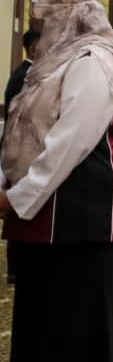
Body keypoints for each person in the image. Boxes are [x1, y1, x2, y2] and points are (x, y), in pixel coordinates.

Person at [0, 0, 113, 362]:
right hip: (45, 217)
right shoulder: (52, 62)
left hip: (78, 221)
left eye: (43, 12)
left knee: (77, 333)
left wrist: (16, 198)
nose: (37, 21)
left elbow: (69, 144)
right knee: (43, 328)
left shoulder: (93, 61)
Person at [3, 29, 40, 284]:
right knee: (20, 209)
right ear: (33, 48)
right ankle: (17, 269)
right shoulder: (24, 76)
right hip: (22, 151)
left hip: (26, 150)